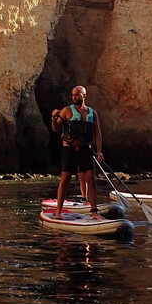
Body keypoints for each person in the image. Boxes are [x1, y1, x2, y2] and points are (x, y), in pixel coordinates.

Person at [51, 85, 104, 219]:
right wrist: (53, 118)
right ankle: (58, 212)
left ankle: (94, 212)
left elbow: (97, 133)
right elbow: (56, 128)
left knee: (91, 180)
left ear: (84, 96)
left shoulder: (92, 113)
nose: (74, 97)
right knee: (65, 180)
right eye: (73, 95)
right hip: (69, 150)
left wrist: (99, 151)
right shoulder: (67, 111)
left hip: (85, 150)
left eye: (77, 95)